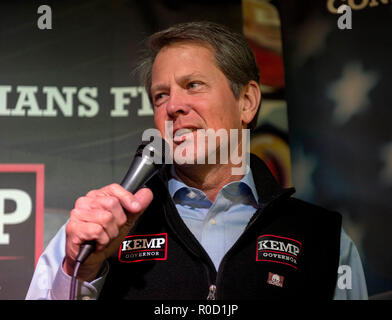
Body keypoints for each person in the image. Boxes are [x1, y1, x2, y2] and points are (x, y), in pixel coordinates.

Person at [26, 21, 367, 300]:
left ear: (246, 101)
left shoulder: (322, 235)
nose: (173, 106)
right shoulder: (97, 228)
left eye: (193, 85)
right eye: (161, 95)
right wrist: (82, 272)